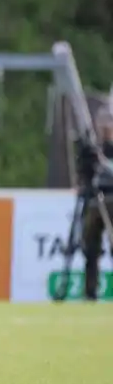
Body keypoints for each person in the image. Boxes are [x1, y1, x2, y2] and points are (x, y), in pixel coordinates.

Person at [75, 115, 113, 301]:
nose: (106, 127)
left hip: (112, 198)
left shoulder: (105, 154)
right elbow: (84, 174)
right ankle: (90, 292)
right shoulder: (95, 149)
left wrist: (102, 162)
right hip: (94, 201)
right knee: (91, 248)